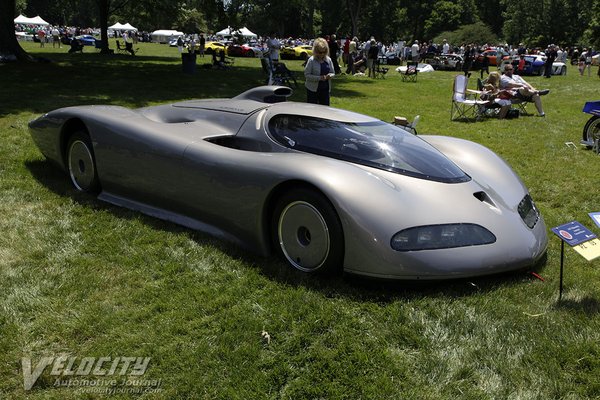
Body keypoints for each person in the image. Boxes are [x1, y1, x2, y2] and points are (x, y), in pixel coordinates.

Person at [304, 37, 335, 106]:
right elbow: (307, 75)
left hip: (325, 89)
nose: (322, 54)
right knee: (312, 109)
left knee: (325, 109)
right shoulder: (311, 60)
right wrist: (319, 78)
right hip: (312, 89)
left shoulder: (328, 60)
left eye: (324, 52)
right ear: (315, 51)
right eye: (320, 52)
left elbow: (333, 72)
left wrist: (330, 76)